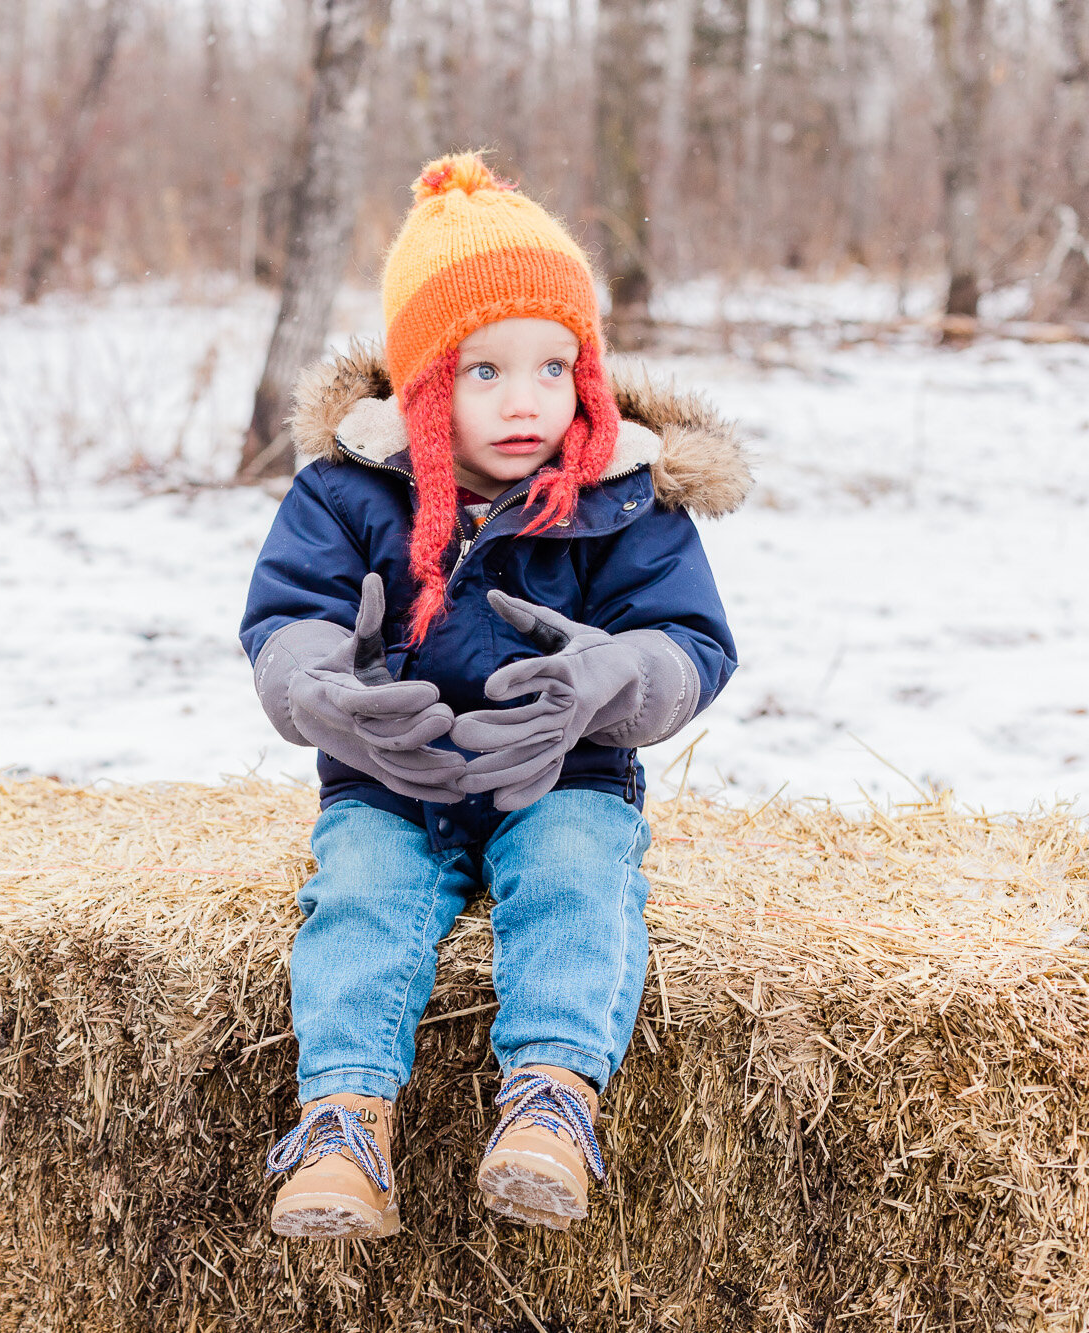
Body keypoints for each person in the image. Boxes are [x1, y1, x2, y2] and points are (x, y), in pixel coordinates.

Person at [240, 151, 750, 1237]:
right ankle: (341, 1123)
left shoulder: (624, 500)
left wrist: (615, 674)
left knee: (578, 877)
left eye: (553, 367)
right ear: (421, 381)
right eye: (484, 372)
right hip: (389, 780)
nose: (526, 402)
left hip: (560, 775)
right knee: (359, 900)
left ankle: (550, 1104)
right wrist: (322, 691)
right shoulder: (344, 492)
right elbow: (286, 623)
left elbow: (690, 642)